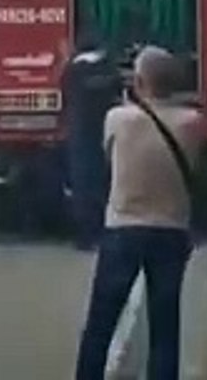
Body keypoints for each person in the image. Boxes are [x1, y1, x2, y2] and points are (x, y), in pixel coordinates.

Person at [75, 46, 205, 380]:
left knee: (100, 322)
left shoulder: (118, 119)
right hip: (171, 231)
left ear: (140, 81)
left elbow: (107, 156)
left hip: (123, 230)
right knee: (165, 326)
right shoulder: (193, 124)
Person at [61, 29, 123, 250]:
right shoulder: (108, 67)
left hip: (80, 133)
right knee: (104, 181)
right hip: (105, 131)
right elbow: (118, 92)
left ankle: (85, 236)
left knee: (82, 184)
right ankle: (105, 231)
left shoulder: (73, 69)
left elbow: (64, 93)